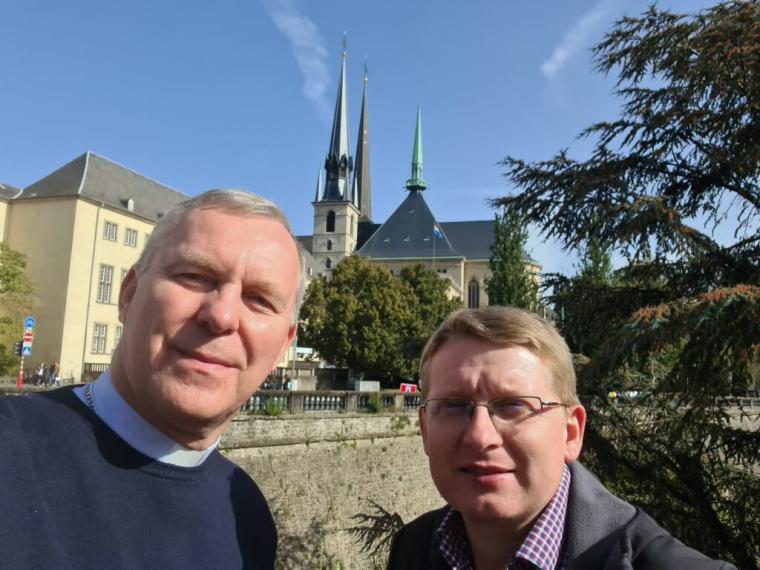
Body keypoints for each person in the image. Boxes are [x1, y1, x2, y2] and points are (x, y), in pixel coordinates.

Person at [0, 189, 304, 569]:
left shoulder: (248, 515)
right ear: (128, 295)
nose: (222, 316)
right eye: (194, 276)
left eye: (259, 300)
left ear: (283, 347)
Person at [388, 306, 735, 570]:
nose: (480, 436)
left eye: (514, 406)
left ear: (571, 433)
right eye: (453, 405)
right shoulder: (411, 549)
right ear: (425, 430)